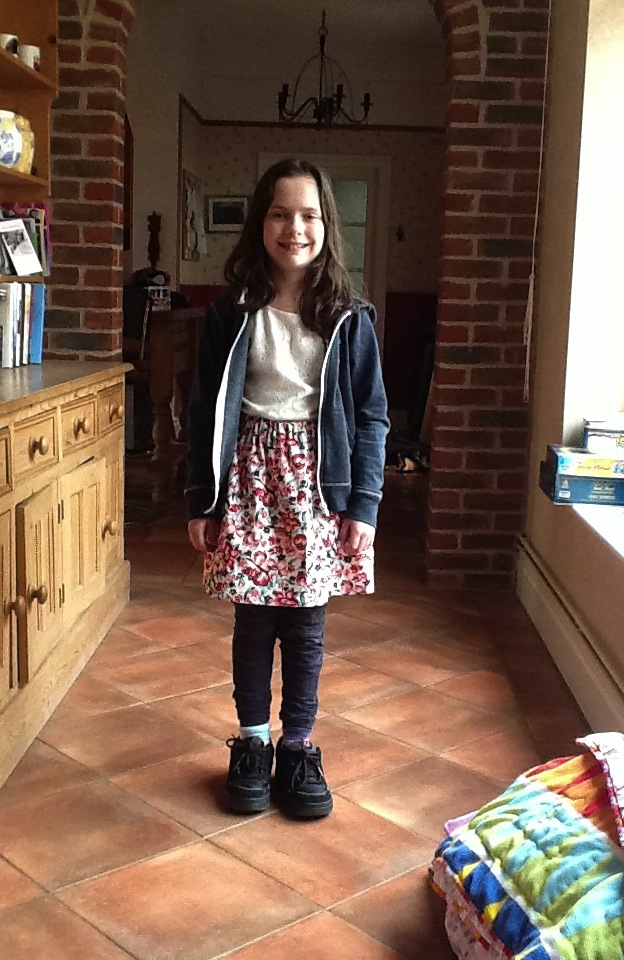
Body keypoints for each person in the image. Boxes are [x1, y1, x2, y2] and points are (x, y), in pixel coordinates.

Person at [186, 158, 389, 819]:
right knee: (253, 618)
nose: (293, 228)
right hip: (248, 481)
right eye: (279, 214)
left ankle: (297, 746)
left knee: (305, 624)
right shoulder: (231, 314)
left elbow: (372, 417)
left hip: (317, 488)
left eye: (308, 215)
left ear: (327, 226)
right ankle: (252, 743)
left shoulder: (351, 318)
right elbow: (204, 410)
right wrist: (202, 499)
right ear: (260, 222)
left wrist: (363, 505)